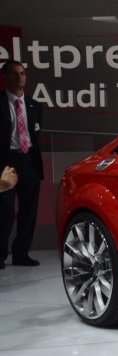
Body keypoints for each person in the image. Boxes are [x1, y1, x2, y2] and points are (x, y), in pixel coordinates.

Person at [1, 60, 44, 268]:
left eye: (23, 73)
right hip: (5, 162)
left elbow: (35, 134)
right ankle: (0, 254)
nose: (20, 77)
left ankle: (21, 254)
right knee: (4, 211)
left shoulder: (35, 105)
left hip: (28, 161)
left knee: (29, 211)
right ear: (5, 77)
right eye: (15, 73)